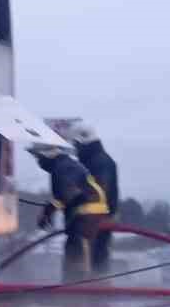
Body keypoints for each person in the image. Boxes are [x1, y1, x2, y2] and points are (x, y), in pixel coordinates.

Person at [29, 141, 110, 279]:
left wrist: (48, 211)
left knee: (77, 251)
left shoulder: (63, 167)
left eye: (38, 157)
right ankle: (73, 284)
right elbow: (65, 195)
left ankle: (77, 286)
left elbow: (69, 194)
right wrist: (50, 209)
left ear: (47, 154)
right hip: (84, 213)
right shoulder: (62, 165)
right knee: (74, 248)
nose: (38, 161)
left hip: (87, 214)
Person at [49, 118, 119, 271]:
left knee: (83, 277)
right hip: (84, 228)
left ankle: (86, 294)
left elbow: (96, 198)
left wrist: (85, 225)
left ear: (83, 142)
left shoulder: (99, 163)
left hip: (89, 230)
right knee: (84, 273)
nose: (75, 149)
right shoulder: (94, 161)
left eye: (76, 145)